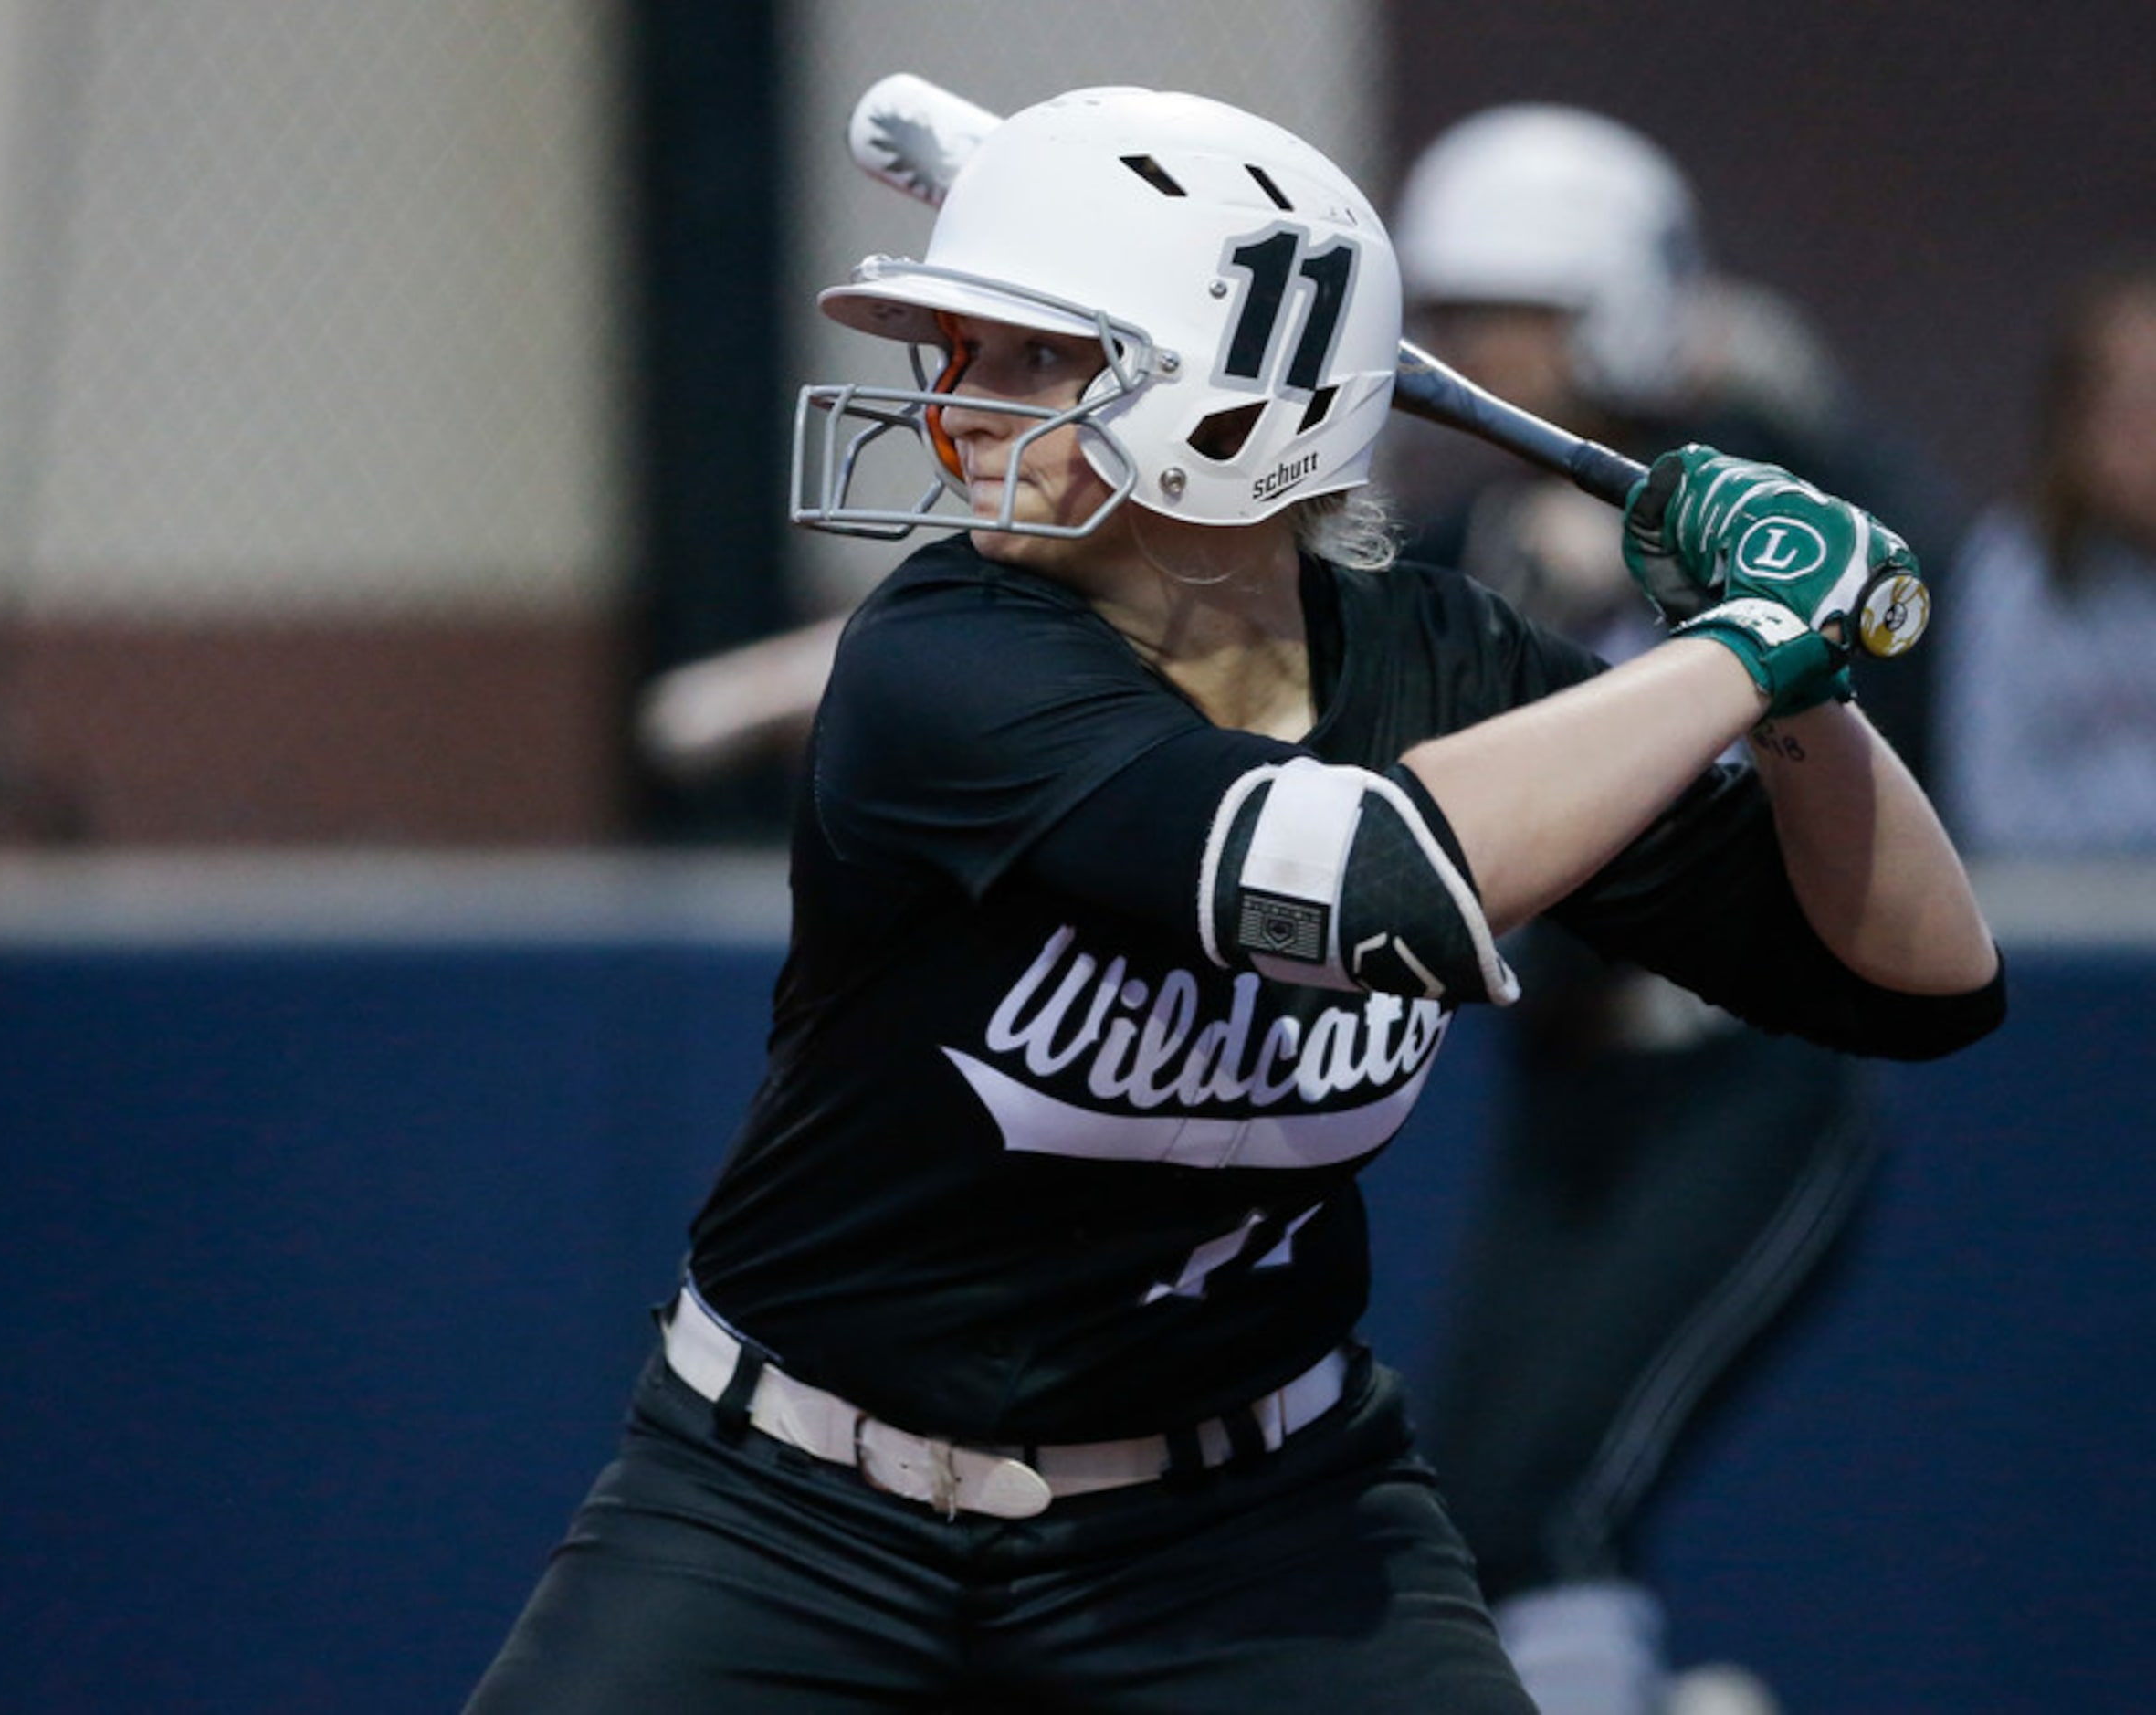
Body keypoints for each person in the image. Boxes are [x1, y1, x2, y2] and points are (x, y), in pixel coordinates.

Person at [468, 87, 2002, 1713]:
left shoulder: (1444, 661)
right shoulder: (944, 657)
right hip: (793, 1505)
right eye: (962, 356)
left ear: (1232, 413)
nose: (954, 414)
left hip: (1252, 1531)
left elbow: (1916, 978)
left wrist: (1805, 690)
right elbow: (1364, 885)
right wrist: (1741, 645)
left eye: (1033, 360)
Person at [1379, 105, 1964, 1715]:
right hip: (1571, 1078)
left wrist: (1671, 594)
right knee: (1450, 1501)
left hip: (1741, 1072)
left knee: (1549, 1493)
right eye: (1461, 315)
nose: (1475, 355)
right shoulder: (1474, 538)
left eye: (1518, 315)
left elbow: (1882, 751)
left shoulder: (1804, 492)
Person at [1938, 261, 2156, 857]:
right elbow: (1990, 806)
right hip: (2060, 937)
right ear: (2074, 421)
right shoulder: (2012, 573)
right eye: (2131, 409)